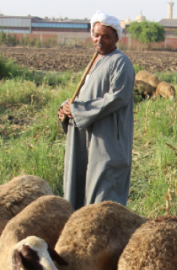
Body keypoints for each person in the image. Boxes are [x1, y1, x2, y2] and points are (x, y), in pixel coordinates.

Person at [57, 10, 135, 211]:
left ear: (116, 37)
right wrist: (67, 110)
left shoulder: (120, 62)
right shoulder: (96, 60)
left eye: (106, 36)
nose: (100, 40)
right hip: (86, 139)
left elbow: (117, 97)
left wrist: (78, 110)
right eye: (96, 35)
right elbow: (85, 97)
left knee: (102, 200)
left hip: (106, 142)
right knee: (79, 190)